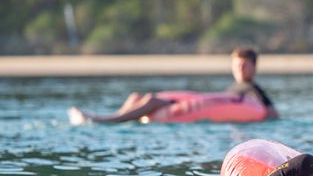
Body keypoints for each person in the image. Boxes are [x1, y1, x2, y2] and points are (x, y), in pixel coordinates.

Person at [68, 47, 277, 124]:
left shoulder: (253, 90)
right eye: (236, 65)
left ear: (253, 67)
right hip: (202, 99)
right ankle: (110, 117)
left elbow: (271, 113)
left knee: (152, 101)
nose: (239, 70)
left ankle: (103, 120)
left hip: (214, 104)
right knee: (137, 97)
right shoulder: (232, 89)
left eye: (244, 66)